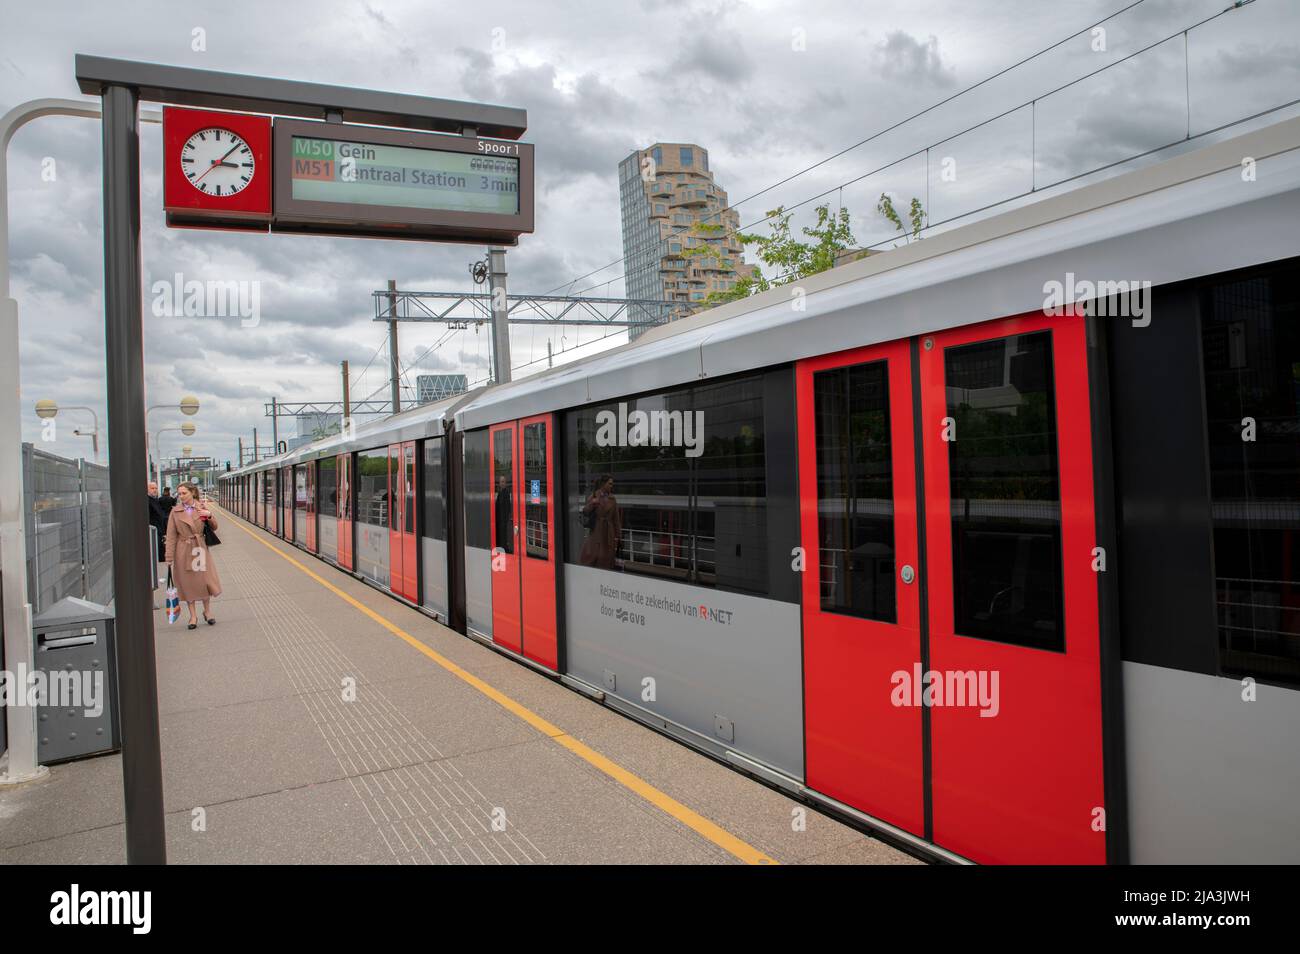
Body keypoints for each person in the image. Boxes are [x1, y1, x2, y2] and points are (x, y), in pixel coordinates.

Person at [165, 481, 223, 630]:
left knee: (204, 580)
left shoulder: (201, 508)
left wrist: (209, 516)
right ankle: (193, 616)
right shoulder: (175, 512)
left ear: (192, 493)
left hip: (199, 548)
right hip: (183, 550)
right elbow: (171, 536)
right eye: (179, 493)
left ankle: (207, 611)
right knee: (187, 583)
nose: (181, 496)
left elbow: (214, 527)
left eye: (184, 493)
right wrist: (169, 557)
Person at [579, 474, 621, 570]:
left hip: (608, 532)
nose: (611, 486)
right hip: (596, 530)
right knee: (592, 556)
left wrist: (618, 536)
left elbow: (616, 519)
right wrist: (593, 503)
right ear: (603, 484)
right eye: (610, 484)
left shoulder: (613, 499)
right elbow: (585, 511)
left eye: (612, 484)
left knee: (606, 558)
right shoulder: (594, 495)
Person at [147, 481, 168, 562]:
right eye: (152, 488)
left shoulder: (155, 500)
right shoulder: (147, 501)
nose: (155, 490)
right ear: (147, 489)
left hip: (159, 531)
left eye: (156, 488)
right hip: (153, 532)